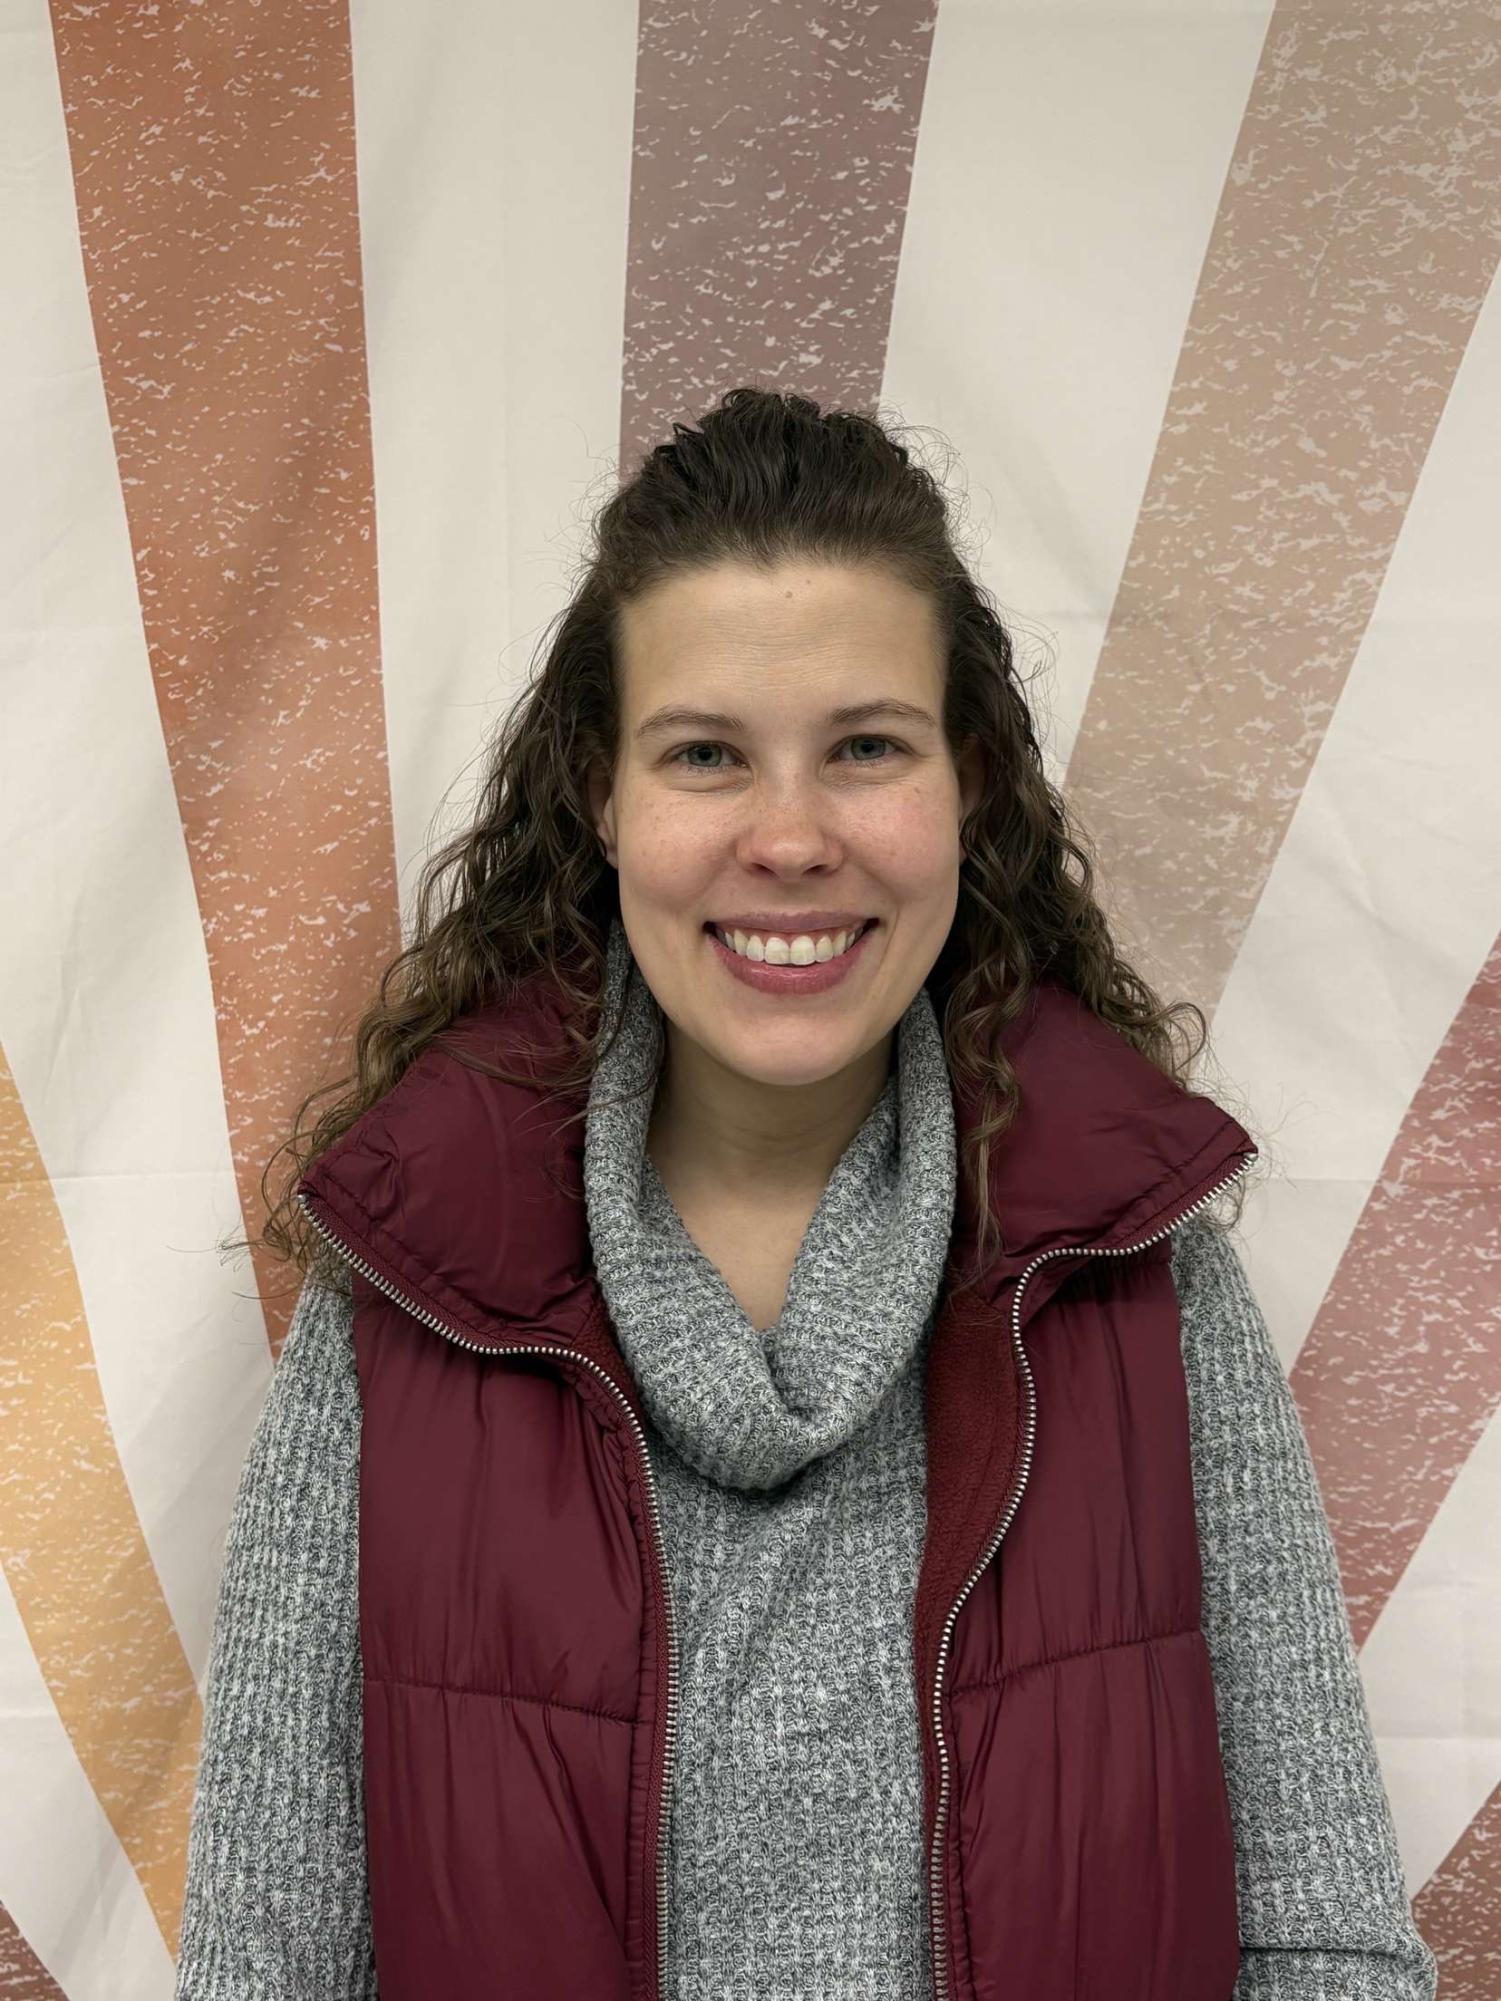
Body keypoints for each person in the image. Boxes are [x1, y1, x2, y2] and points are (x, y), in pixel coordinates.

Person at [175, 387, 1438, 1999]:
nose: (789, 837)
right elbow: (263, 1972)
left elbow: (1323, 1947)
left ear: (964, 782)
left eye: (862, 748)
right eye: (706, 753)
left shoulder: (1137, 1280)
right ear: (600, 795)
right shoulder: (405, 1304)